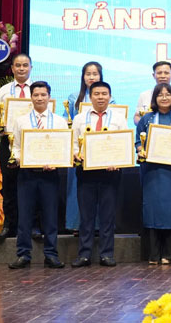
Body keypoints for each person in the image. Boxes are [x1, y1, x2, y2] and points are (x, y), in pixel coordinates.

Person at [7, 81, 68, 269]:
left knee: (50, 216)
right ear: (31, 97)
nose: (40, 98)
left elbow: (63, 147)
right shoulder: (21, 121)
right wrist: (19, 159)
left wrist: (56, 161)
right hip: (27, 174)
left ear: (49, 97)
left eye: (43, 95)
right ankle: (23, 255)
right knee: (24, 216)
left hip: (50, 175)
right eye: (36, 95)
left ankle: (51, 255)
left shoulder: (59, 121)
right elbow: (15, 147)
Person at [71, 81, 128, 267]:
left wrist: (118, 161)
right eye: (97, 94)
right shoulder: (80, 118)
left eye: (104, 94)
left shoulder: (118, 118)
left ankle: (106, 254)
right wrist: (76, 154)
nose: (101, 97)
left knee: (107, 215)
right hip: (85, 172)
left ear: (110, 96)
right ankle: (84, 255)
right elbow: (73, 144)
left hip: (110, 173)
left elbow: (123, 144)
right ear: (90, 96)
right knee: (86, 216)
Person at [135, 83, 171, 265]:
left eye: (168, 94)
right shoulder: (147, 119)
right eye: (160, 95)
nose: (164, 97)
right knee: (152, 210)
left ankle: (170, 254)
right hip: (152, 172)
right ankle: (153, 254)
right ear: (155, 99)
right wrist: (140, 150)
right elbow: (138, 142)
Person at [63, 61, 110, 236]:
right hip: (80, 153)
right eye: (88, 74)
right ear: (83, 77)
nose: (91, 77)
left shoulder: (109, 97)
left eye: (95, 74)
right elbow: (66, 121)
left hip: (102, 152)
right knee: (78, 190)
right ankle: (77, 225)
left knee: (102, 191)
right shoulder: (75, 97)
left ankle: (99, 227)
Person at [0, 53, 34, 241]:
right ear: (12, 68)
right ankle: (10, 225)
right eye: (18, 65)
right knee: (9, 185)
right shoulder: (5, 90)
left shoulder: (37, 89)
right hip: (8, 141)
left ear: (31, 67)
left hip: (33, 142)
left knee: (34, 184)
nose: (21, 68)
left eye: (25, 65)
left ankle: (34, 226)